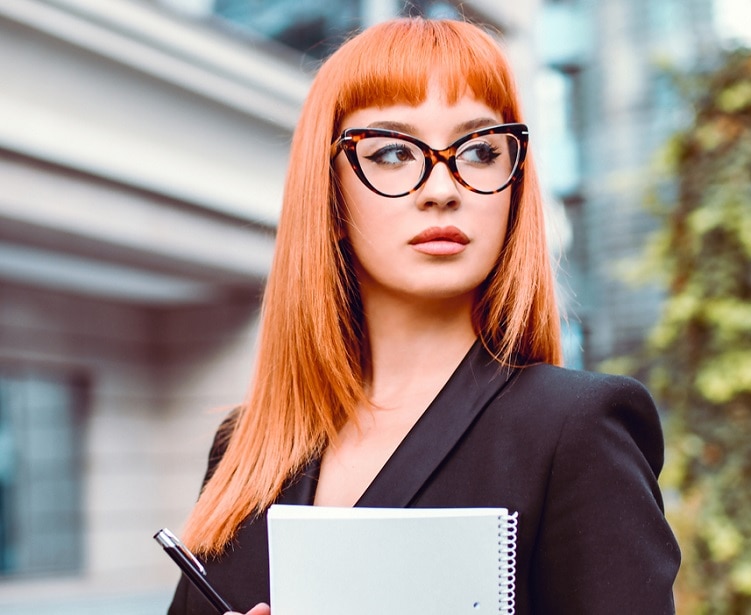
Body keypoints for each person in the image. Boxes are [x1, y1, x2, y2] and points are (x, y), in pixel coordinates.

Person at [167, 16, 680, 615]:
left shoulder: (575, 429)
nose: (442, 187)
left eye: (481, 150)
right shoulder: (243, 451)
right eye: (391, 151)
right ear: (329, 195)